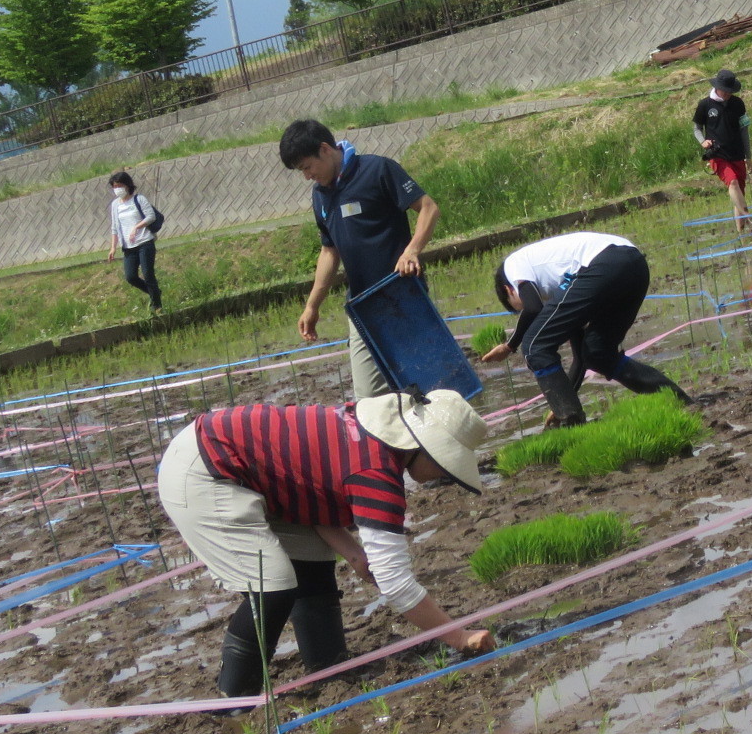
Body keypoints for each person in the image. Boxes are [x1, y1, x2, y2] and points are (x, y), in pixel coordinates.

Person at [155, 389, 493, 699]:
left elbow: (309, 487)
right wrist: (459, 637)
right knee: (271, 585)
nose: (443, 475)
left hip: (242, 469)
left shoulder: (368, 438)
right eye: (444, 465)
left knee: (313, 561)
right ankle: (235, 700)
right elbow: (395, 583)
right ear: (422, 446)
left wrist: (353, 553)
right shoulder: (376, 472)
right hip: (206, 470)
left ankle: (329, 672)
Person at [282, 119, 441, 398]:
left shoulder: (377, 169)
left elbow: (428, 208)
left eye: (307, 167)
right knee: (368, 400)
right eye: (301, 171)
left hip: (403, 295)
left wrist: (412, 250)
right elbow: (329, 251)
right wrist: (312, 306)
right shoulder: (320, 195)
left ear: (324, 149)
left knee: (426, 385)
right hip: (362, 307)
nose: (307, 176)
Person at [482, 232, 689, 426]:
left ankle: (571, 425)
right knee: (597, 354)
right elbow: (580, 357)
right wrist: (563, 399)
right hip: (633, 264)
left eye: (519, 305)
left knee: (534, 345)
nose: (528, 304)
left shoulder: (513, 266)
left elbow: (534, 308)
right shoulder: (563, 283)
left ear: (507, 289)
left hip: (604, 262)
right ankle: (681, 401)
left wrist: (510, 345)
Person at [693, 69, 752, 232]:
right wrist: (703, 141)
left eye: (730, 91)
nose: (727, 94)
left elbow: (744, 131)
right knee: (732, 183)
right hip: (718, 154)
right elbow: (697, 129)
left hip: (737, 152)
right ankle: (747, 217)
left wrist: (749, 157)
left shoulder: (738, 104)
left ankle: (741, 232)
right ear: (717, 87)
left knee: (739, 192)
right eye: (725, 90)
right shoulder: (705, 105)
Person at [105, 171, 164, 314]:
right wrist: (113, 247)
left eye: (119, 185)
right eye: (114, 186)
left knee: (148, 274)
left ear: (127, 185)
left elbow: (150, 217)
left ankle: (157, 307)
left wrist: (136, 227)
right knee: (131, 277)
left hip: (145, 242)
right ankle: (155, 292)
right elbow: (115, 227)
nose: (117, 189)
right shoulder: (115, 205)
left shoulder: (139, 199)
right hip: (128, 247)